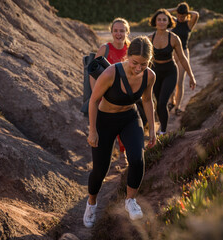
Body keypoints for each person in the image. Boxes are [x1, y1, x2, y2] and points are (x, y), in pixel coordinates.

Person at [83, 36, 156, 228]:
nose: (139, 68)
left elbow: (147, 101)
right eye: (135, 63)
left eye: (144, 64)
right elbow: (93, 101)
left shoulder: (150, 76)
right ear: (127, 55)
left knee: (137, 159)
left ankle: (130, 201)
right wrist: (92, 131)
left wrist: (153, 131)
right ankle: (91, 203)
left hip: (130, 119)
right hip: (105, 121)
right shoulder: (110, 73)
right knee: (100, 170)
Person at [148, 8, 196, 135]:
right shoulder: (149, 38)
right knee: (158, 103)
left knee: (163, 102)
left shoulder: (174, 38)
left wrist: (191, 76)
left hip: (170, 72)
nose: (162, 22)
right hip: (155, 73)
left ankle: (162, 132)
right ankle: (158, 128)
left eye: (164, 20)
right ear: (155, 21)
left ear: (168, 22)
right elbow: (142, 60)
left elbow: (183, 58)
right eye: (159, 19)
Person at [90, 18, 131, 164]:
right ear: (111, 32)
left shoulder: (131, 49)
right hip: (105, 93)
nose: (118, 34)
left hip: (125, 94)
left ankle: (122, 154)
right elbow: (92, 72)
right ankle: (103, 158)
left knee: (123, 125)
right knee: (106, 127)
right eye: (115, 31)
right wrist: (95, 91)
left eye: (122, 31)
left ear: (127, 32)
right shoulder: (104, 49)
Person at [167, 2, 199, 115]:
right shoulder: (173, 22)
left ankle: (178, 107)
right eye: (179, 16)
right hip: (172, 53)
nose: (180, 18)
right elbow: (164, 12)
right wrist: (176, 9)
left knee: (179, 81)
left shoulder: (189, 24)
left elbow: (196, 14)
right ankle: (172, 101)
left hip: (184, 54)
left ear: (186, 15)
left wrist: (187, 12)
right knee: (171, 80)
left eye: (183, 16)